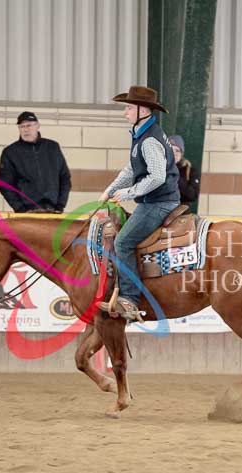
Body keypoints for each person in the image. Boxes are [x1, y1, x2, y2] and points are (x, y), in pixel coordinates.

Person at [98, 86, 180, 321]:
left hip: (159, 202)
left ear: (142, 110)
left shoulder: (149, 140)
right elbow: (131, 169)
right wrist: (110, 190)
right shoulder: (143, 134)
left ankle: (130, 299)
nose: (125, 112)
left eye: (129, 108)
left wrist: (127, 193)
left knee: (123, 242)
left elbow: (157, 177)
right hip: (157, 199)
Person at [0, 111, 71, 213]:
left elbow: (65, 178)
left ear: (37, 125)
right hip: (27, 212)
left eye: (29, 125)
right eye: (22, 126)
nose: (25, 129)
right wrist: (19, 208)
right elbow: (5, 185)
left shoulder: (52, 147)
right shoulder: (10, 152)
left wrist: (60, 205)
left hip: (53, 210)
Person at [168, 135, 201, 214]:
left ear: (181, 153)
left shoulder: (189, 171)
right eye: (171, 150)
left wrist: (176, 177)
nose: (174, 153)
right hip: (158, 212)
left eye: (177, 150)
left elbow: (192, 196)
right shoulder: (158, 169)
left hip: (181, 213)